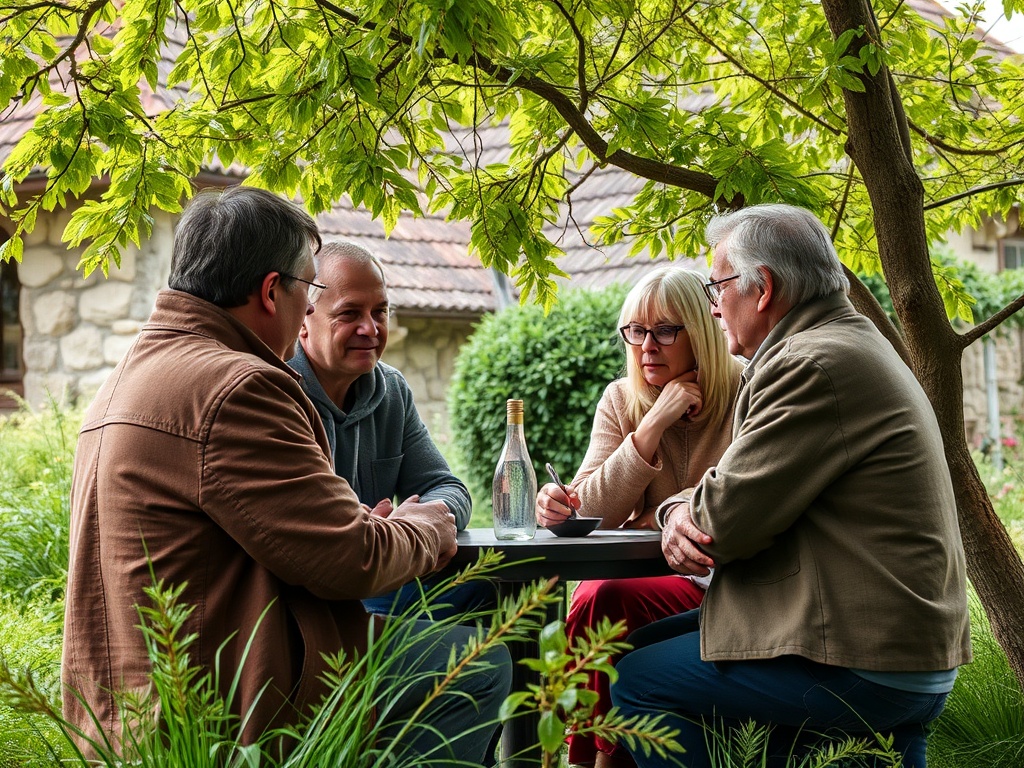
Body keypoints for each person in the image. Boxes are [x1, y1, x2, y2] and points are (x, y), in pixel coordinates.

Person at [61, 186, 510, 762]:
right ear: (274, 292)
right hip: (223, 704)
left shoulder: (133, 373)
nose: (364, 326)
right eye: (314, 293)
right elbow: (354, 560)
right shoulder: (239, 387)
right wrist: (426, 524)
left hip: (133, 703)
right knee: (476, 662)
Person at [610, 204, 971, 768]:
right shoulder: (851, 342)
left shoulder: (810, 364)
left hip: (864, 658)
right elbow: (735, 497)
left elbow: (721, 524)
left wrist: (681, 510)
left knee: (636, 679)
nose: (713, 304)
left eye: (717, 285)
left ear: (763, 289)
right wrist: (682, 506)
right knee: (645, 648)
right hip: (903, 649)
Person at [535, 267, 742, 768]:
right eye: (635, 331)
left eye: (665, 330)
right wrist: (651, 425)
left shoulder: (746, 390)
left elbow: (733, 495)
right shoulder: (622, 398)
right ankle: (595, 756)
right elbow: (590, 507)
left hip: (722, 582)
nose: (646, 345)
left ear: (702, 331)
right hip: (651, 570)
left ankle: (589, 758)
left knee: (603, 598)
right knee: (596, 596)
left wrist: (660, 509)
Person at [289, 239, 493, 619]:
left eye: (380, 312)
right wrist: (373, 532)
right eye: (350, 314)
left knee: (500, 585)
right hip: (312, 601)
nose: (371, 328)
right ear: (303, 320)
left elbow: (449, 488)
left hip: (384, 578)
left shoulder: (391, 390)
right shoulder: (277, 391)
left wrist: (418, 523)